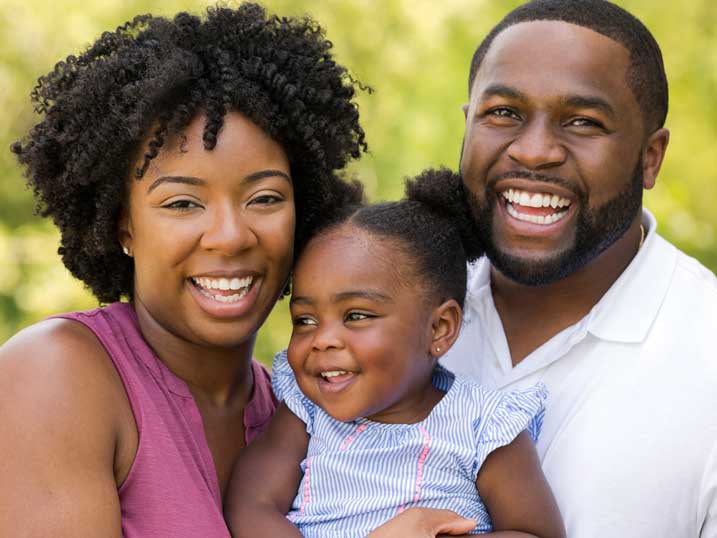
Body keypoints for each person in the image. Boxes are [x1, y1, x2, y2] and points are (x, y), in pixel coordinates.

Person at [1, 4, 366, 537]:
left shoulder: (308, 414)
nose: (230, 235)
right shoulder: (55, 374)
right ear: (124, 226)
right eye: (181, 204)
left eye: (264, 198)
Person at [439, 1, 717, 536]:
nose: (536, 150)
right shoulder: (390, 308)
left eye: (583, 122)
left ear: (651, 157)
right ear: (468, 125)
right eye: (503, 113)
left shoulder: (705, 355)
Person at [226, 168, 566, 538]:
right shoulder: (307, 413)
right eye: (305, 319)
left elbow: (537, 532)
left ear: (439, 328)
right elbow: (251, 502)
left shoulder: (483, 426)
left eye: (355, 316)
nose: (322, 340)